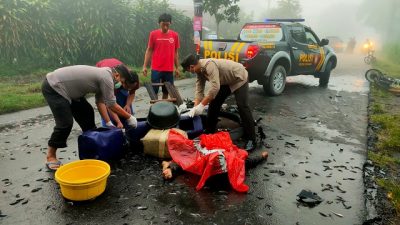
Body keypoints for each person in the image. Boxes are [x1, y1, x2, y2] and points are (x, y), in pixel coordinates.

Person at [41, 65, 138, 170]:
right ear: (117, 75)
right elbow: (111, 104)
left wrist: (109, 123)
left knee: (86, 112)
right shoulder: (107, 77)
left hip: (70, 92)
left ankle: (92, 148)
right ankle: (50, 156)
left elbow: (100, 101)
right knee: (65, 123)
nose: (121, 85)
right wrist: (129, 117)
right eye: (122, 82)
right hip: (54, 86)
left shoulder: (106, 76)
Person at [180, 54, 257, 151]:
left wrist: (202, 105)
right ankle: (209, 131)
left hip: (239, 77)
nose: (189, 72)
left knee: (243, 106)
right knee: (214, 103)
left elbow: (215, 88)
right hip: (225, 81)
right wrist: (195, 108)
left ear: (191, 67)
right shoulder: (199, 70)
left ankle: (252, 140)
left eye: (188, 70)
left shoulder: (209, 65)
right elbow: (199, 90)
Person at [142, 13, 180, 99]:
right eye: (163, 25)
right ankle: (155, 110)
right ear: (159, 23)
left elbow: (175, 52)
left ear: (170, 23)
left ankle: (164, 111)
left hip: (169, 69)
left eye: (167, 25)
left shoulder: (175, 35)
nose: (165, 27)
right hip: (156, 69)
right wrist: (144, 66)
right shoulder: (153, 34)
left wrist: (177, 68)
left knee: (166, 91)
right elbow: (149, 50)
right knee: (154, 92)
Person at [96, 58, 139, 128]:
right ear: (123, 81)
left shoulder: (134, 79)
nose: (129, 89)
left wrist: (128, 105)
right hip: (104, 72)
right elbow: (109, 104)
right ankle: (109, 125)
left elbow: (132, 93)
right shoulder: (110, 81)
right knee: (107, 104)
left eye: (131, 87)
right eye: (127, 87)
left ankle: (126, 121)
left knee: (124, 96)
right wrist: (118, 121)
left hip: (118, 74)